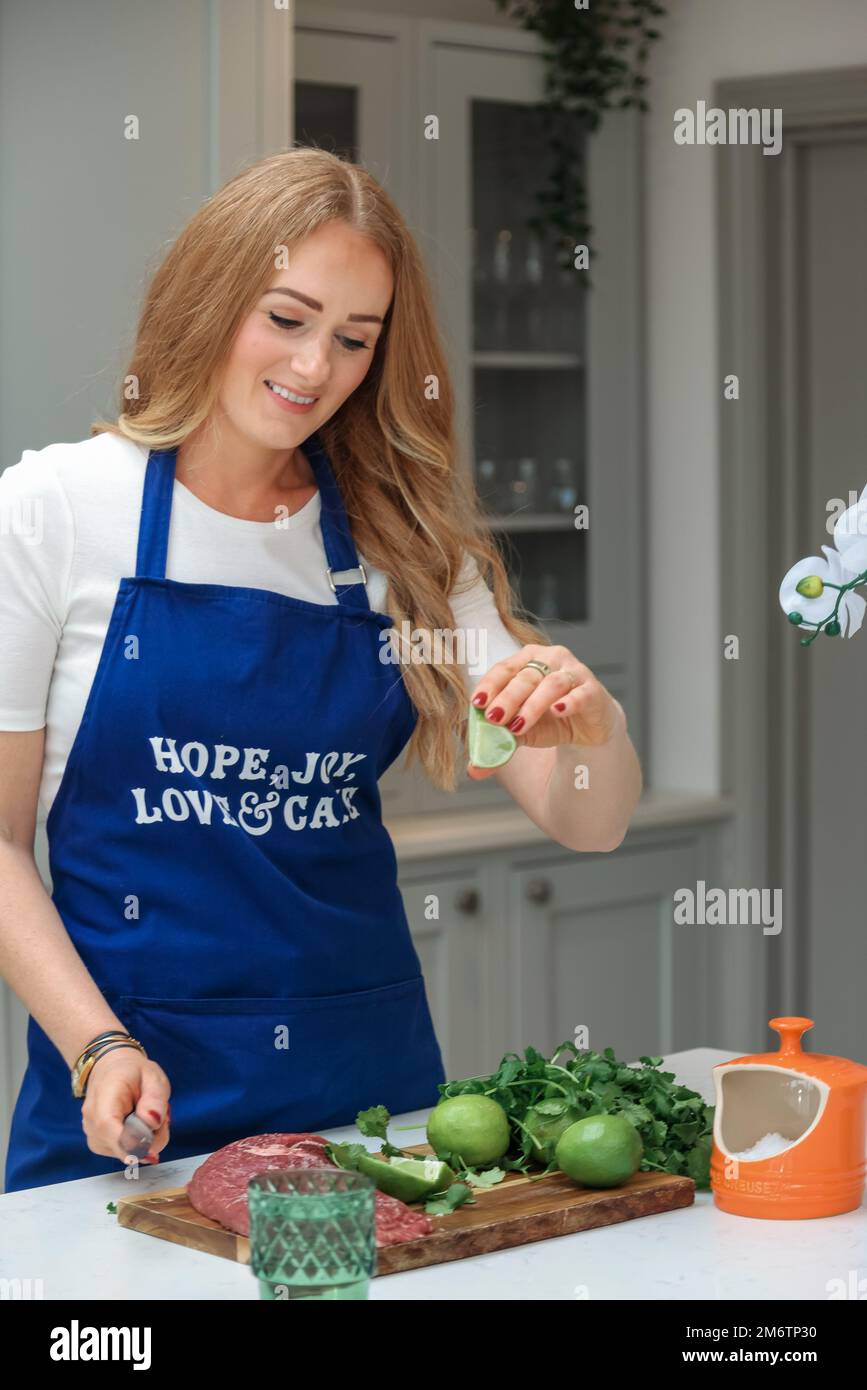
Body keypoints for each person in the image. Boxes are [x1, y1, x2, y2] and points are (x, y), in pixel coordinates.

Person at [0, 148, 641, 1193]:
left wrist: (594, 726)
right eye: (287, 319)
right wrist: (96, 1046)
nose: (314, 369)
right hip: (130, 1100)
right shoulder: (57, 512)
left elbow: (587, 819)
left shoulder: (406, 546)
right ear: (210, 299)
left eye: (354, 339)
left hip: (368, 1104)